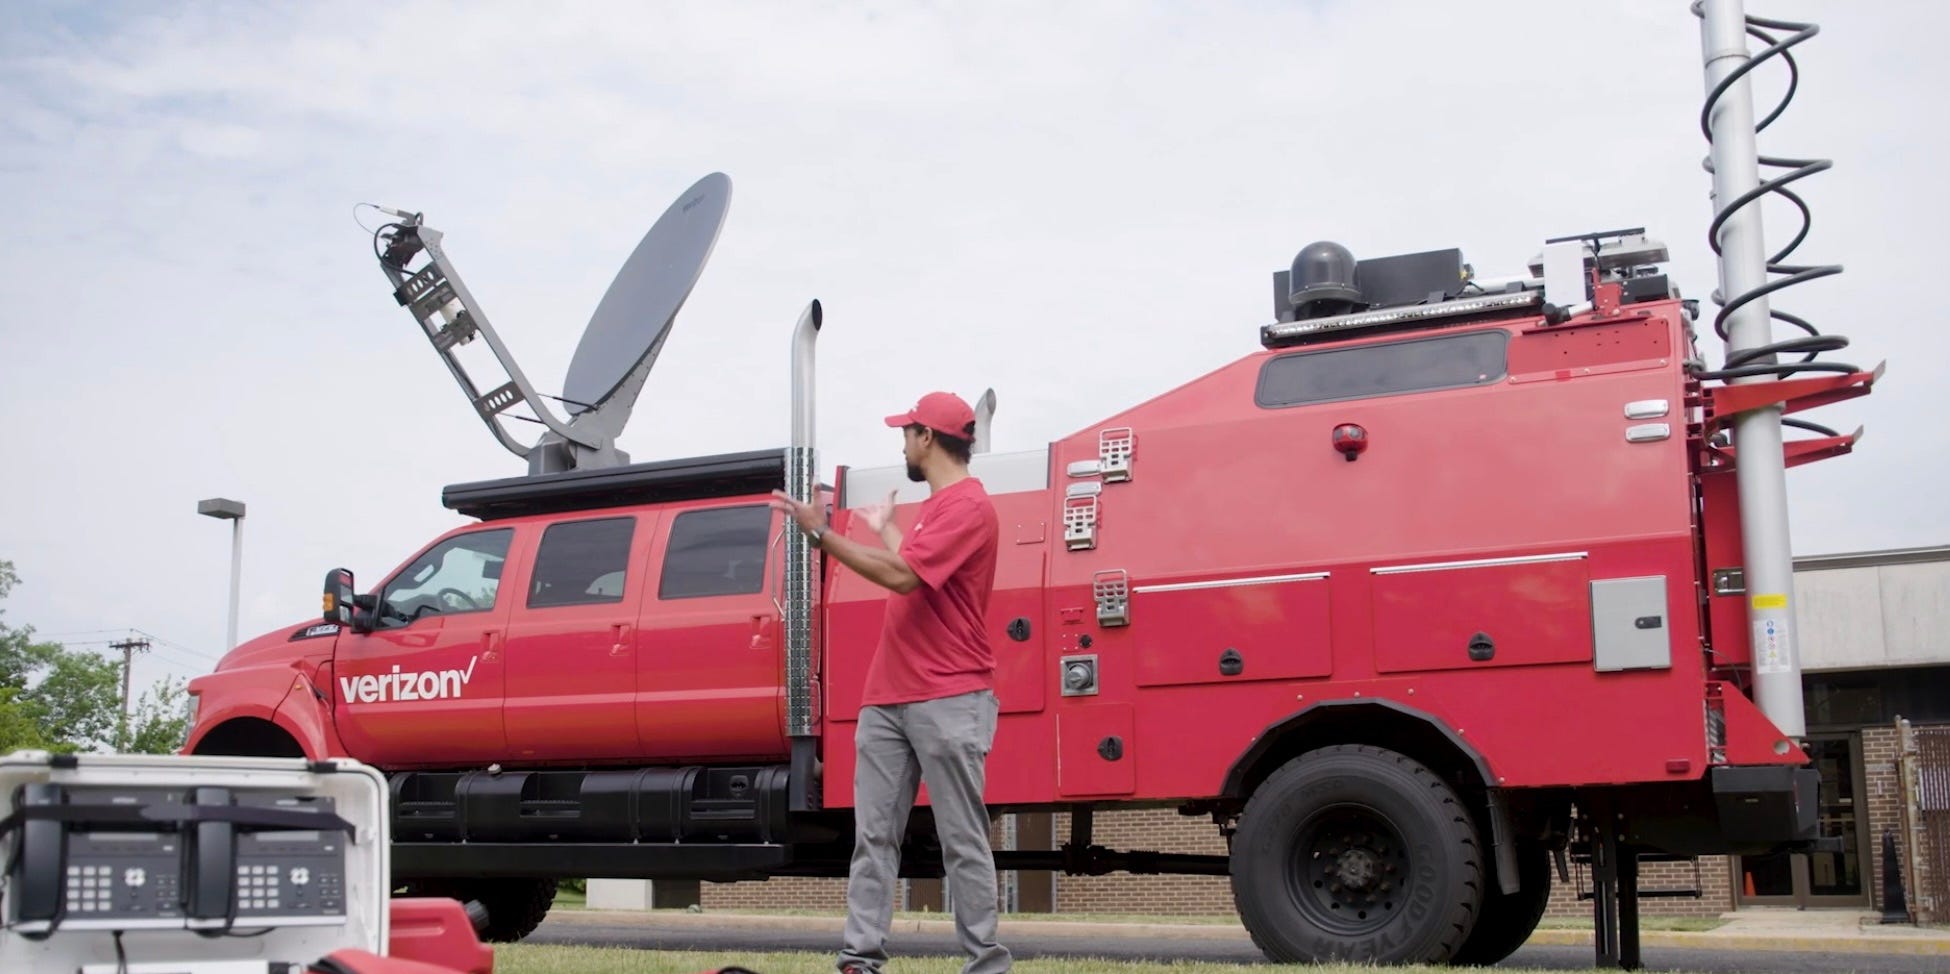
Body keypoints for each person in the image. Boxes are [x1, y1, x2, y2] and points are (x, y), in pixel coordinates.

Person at [770, 390, 1010, 974]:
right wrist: (885, 531)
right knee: (873, 837)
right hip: (889, 699)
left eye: (907, 431)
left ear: (928, 438)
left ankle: (986, 963)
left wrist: (819, 533)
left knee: (962, 839)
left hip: (950, 695)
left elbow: (905, 580)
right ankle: (860, 958)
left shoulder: (970, 507)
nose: (902, 441)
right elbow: (926, 575)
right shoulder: (939, 509)